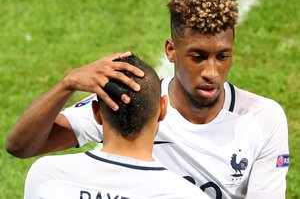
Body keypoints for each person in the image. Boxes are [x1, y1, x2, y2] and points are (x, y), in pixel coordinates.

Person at [7, 0, 289, 199]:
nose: (212, 72)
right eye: (198, 57)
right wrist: (65, 85)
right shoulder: (138, 99)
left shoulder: (263, 118)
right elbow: (22, 146)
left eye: (223, 56)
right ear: (171, 50)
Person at [24, 55, 210, 199]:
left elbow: (18, 144)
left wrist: (68, 82)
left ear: (96, 112)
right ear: (162, 109)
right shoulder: (188, 195)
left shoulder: (47, 175)